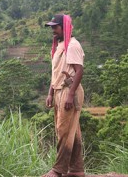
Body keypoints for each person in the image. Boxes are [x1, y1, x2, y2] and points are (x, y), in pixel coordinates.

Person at [42, 14, 85, 177]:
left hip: (69, 90)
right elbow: (56, 73)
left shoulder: (72, 45)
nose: (53, 30)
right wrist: (50, 93)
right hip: (59, 90)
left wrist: (70, 94)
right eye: (52, 27)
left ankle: (58, 170)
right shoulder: (59, 46)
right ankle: (76, 169)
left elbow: (79, 71)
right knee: (72, 131)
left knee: (63, 130)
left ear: (64, 27)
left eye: (55, 27)